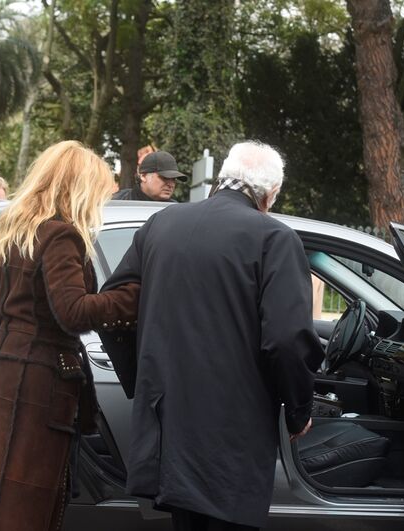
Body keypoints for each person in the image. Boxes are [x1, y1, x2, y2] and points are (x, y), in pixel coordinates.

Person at [100, 141, 325, 531]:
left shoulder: (160, 225)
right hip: (233, 433)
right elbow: (286, 340)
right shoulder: (274, 238)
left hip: (168, 425)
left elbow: (112, 309)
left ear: (222, 177)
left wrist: (144, 379)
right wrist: (299, 410)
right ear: (269, 195)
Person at [0, 141, 139, 531]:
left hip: (5, 378)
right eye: (98, 189)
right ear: (77, 187)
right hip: (42, 386)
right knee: (24, 501)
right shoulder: (62, 235)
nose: (102, 200)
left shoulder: (19, 229)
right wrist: (131, 297)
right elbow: (74, 312)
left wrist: (13, 348)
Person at [112, 150, 187, 201]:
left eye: (174, 179)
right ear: (143, 176)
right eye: (165, 178)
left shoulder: (174, 210)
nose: (171, 184)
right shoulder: (116, 203)